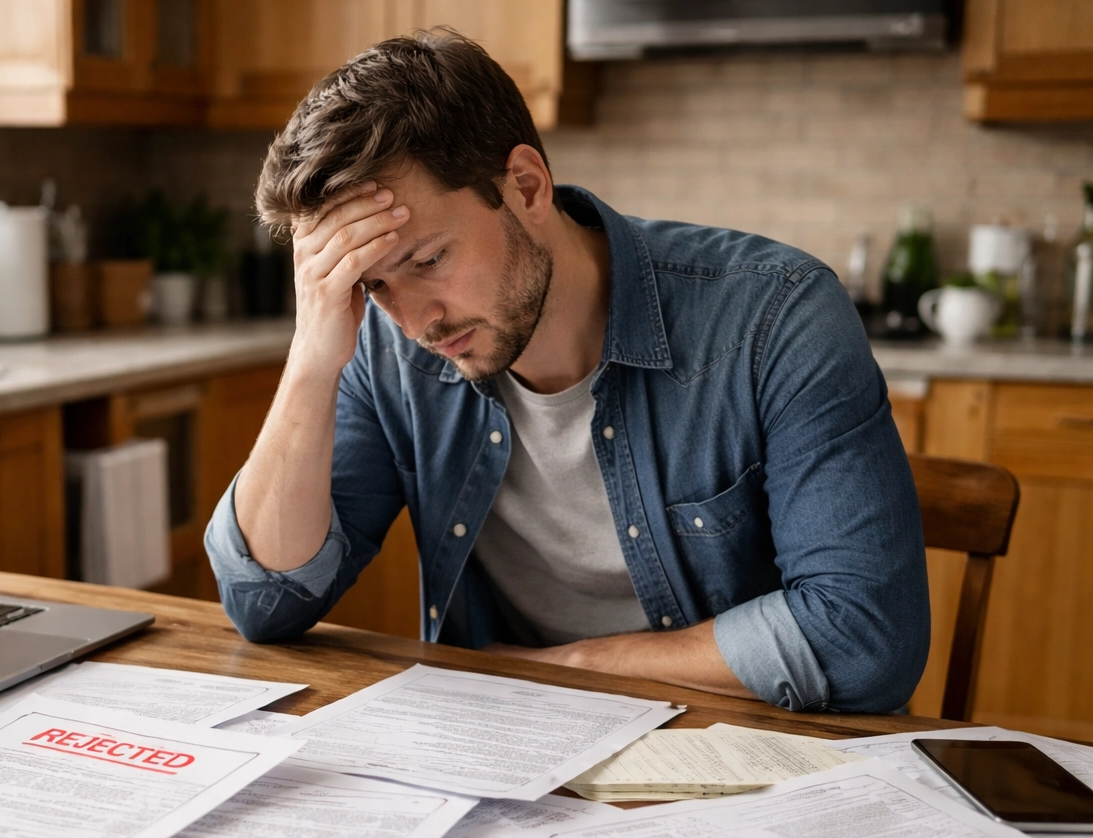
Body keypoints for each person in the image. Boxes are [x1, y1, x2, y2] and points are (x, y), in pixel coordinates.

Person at [204, 31, 929, 713]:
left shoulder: (775, 317)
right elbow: (266, 603)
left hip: (741, 754)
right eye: (375, 285)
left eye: (428, 261)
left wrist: (573, 669)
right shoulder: (389, 346)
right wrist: (310, 361)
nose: (417, 319)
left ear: (526, 185)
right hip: (509, 766)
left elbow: (865, 638)